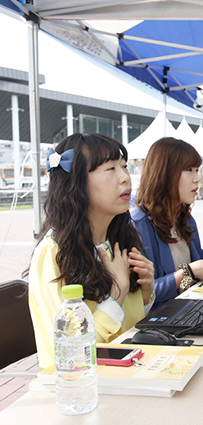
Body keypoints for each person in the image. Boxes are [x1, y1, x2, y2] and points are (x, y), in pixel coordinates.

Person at [28, 133, 155, 368]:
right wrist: (117, 291)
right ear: (75, 183)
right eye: (110, 169)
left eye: (124, 167)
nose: (125, 178)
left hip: (127, 375)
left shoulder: (118, 239)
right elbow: (74, 353)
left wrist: (147, 294)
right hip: (81, 389)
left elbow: (130, 331)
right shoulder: (53, 253)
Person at [131, 138, 203, 310]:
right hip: (163, 322)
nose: (198, 178)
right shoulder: (138, 225)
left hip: (191, 306)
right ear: (164, 173)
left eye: (197, 170)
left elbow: (189, 271)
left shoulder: (185, 218)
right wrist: (190, 271)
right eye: (189, 170)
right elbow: (143, 295)